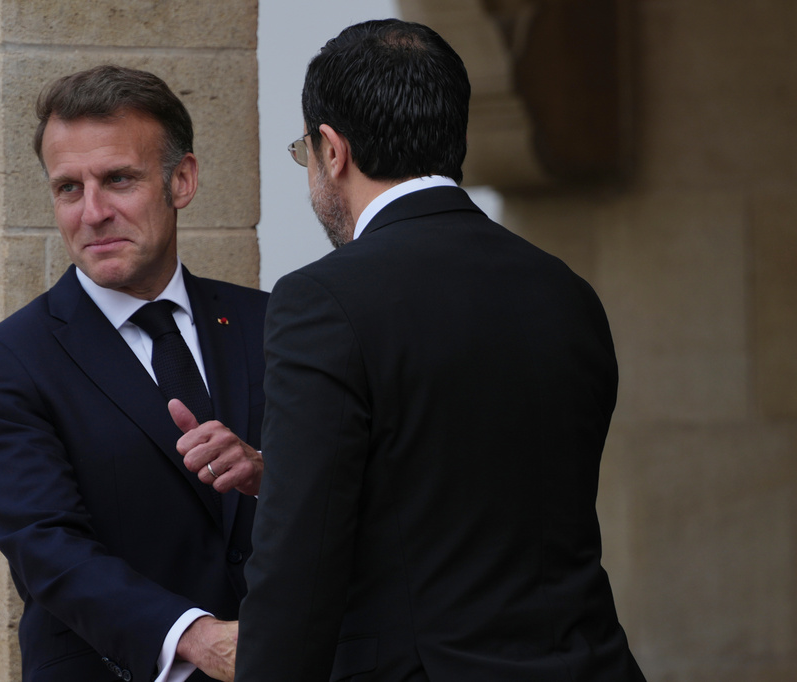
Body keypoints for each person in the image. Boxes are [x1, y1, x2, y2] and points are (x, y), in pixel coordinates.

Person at [237, 19, 646, 682]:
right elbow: (489, 494)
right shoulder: (566, 292)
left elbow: (298, 566)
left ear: (332, 150)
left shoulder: (322, 300)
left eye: (304, 153)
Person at [0, 65, 266, 682]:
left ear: (182, 180)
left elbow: (353, 497)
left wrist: (266, 473)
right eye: (69, 188)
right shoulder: (4, 361)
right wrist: (196, 638)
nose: (92, 212)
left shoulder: (272, 323)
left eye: (118, 179)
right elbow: (46, 546)